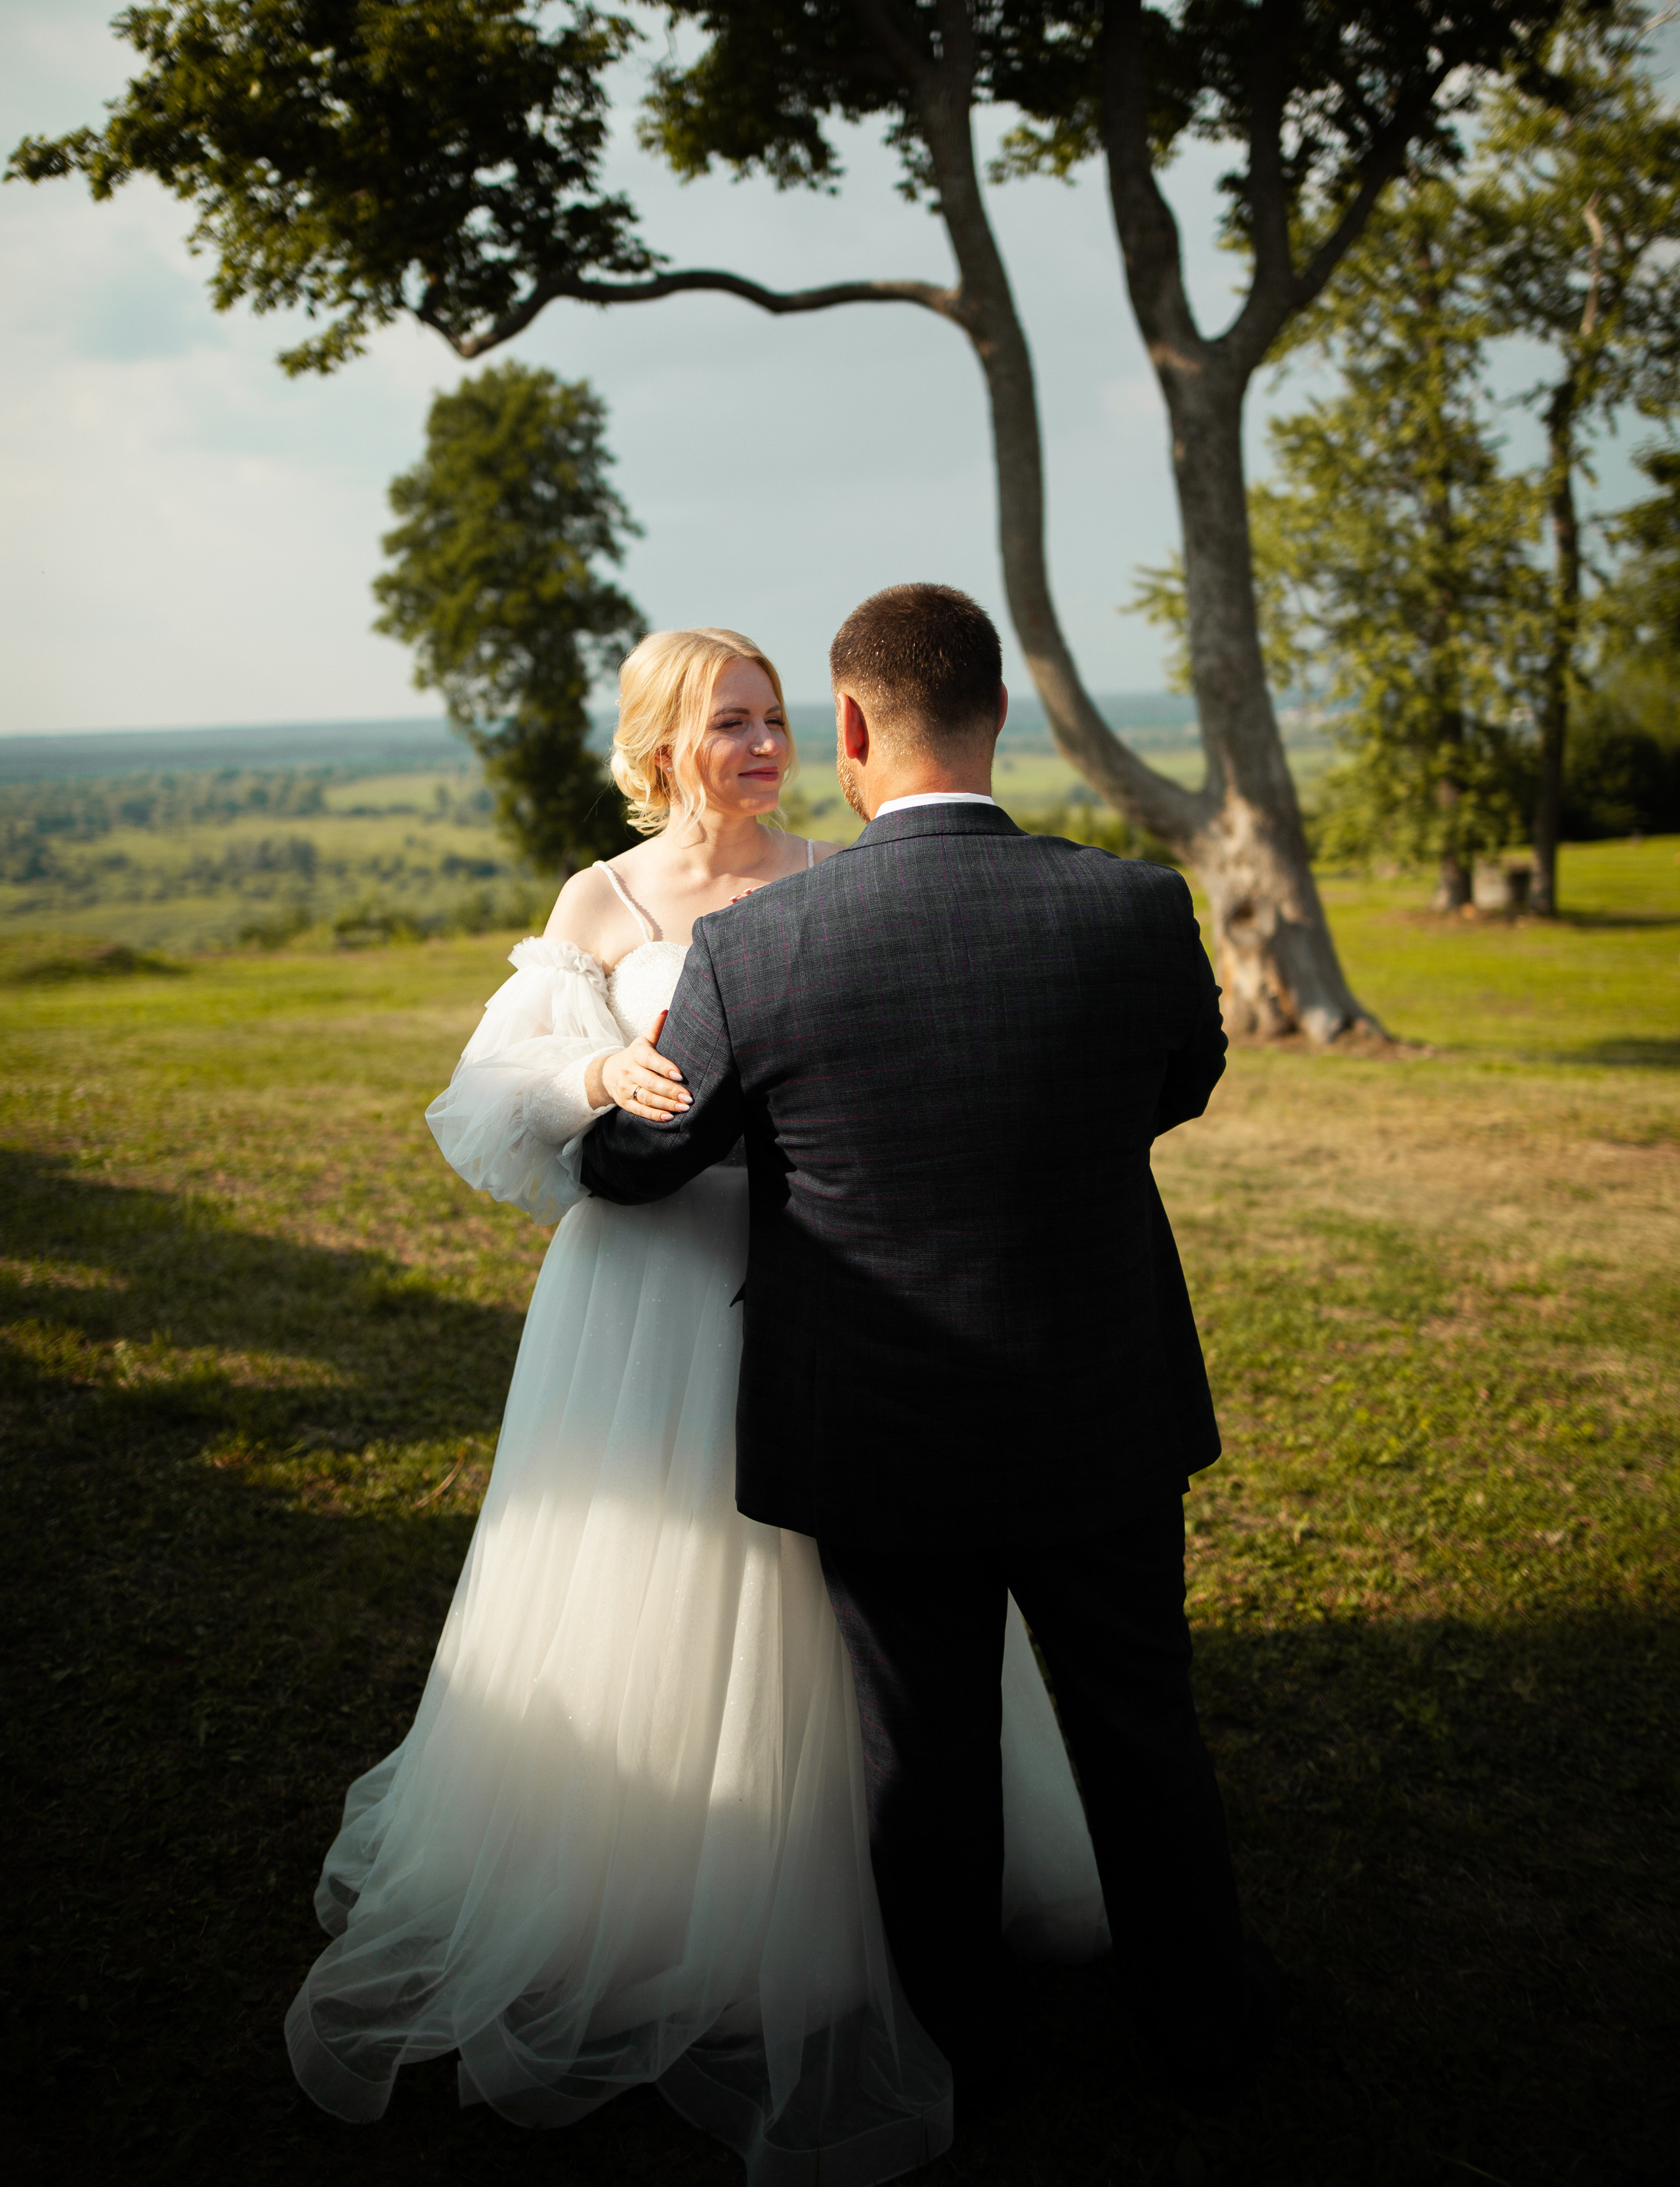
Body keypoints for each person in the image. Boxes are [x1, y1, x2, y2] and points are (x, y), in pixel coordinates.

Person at [284, 624, 1108, 2184]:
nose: (761, 745)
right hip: (645, 1283)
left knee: (834, 1583)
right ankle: (651, 1886)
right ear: (660, 743)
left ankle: (847, 1892)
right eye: (727, 722)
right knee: (654, 1565)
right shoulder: (602, 902)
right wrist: (596, 1080)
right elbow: (489, 1088)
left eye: (775, 717)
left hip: (815, 1274)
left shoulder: (829, 874)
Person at [581, 585, 1259, 2112]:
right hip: (1100, 1404)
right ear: (999, 714)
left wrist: (595, 1099)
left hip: (879, 1428)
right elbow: (1179, 1082)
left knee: (921, 1751)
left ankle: (956, 2054)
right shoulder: (1136, 907)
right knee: (1141, 1718)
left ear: (848, 729)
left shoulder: (764, 948)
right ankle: (1206, 2031)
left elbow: (641, 1164)